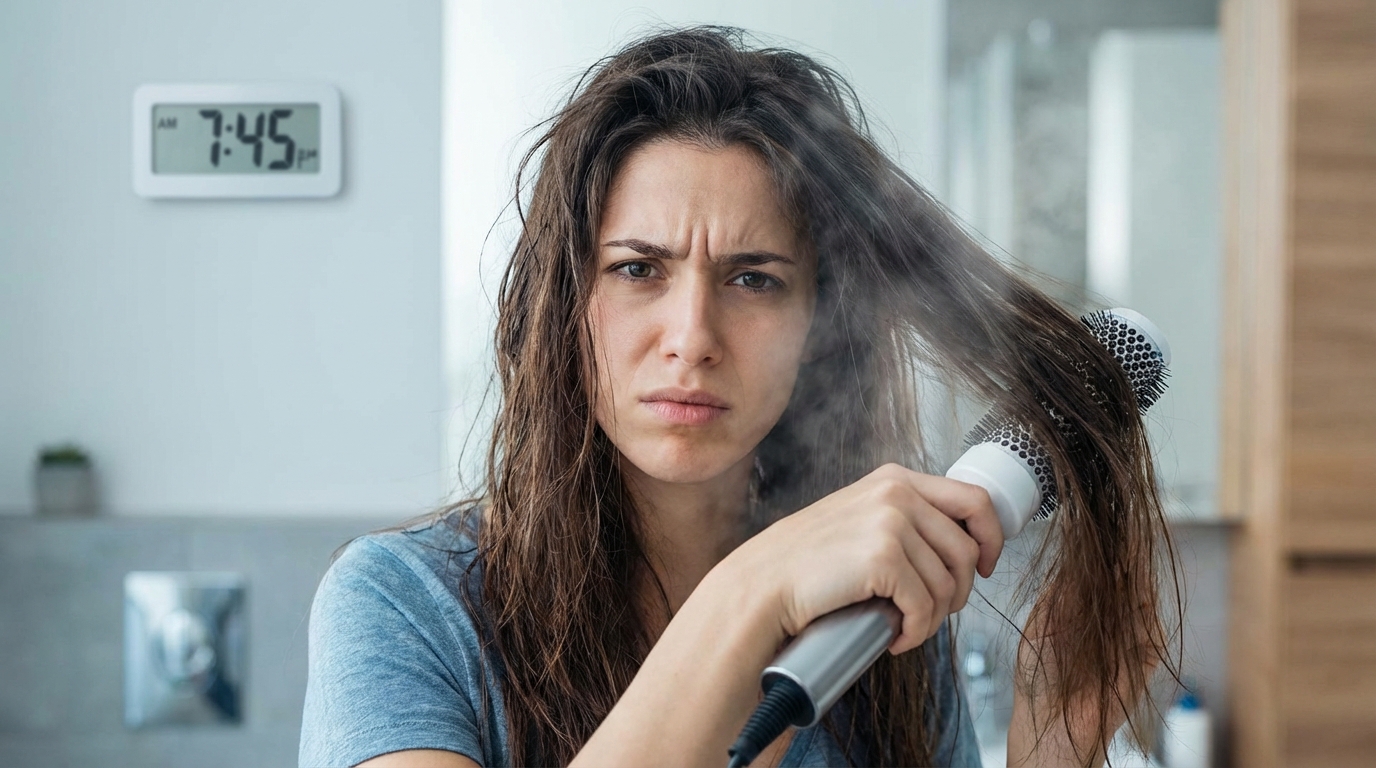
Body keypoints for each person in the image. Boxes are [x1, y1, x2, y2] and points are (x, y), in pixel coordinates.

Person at [300, 26, 1178, 768]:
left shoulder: (882, 634)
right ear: (561, 303)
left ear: (819, 328)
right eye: (637, 270)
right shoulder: (403, 607)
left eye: (754, 279)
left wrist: (1051, 749)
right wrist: (754, 591)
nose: (692, 337)